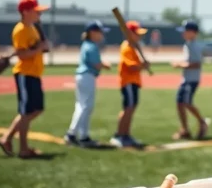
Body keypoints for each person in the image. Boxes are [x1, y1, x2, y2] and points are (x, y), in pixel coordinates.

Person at [0, 0, 50, 159]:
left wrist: (41, 47)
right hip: (25, 74)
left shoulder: (32, 28)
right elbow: (22, 55)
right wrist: (40, 48)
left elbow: (33, 48)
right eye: (36, 11)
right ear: (25, 12)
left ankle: (7, 138)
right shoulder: (20, 30)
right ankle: (23, 149)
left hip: (34, 73)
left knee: (36, 109)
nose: (39, 14)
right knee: (26, 112)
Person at [64, 20, 111, 147]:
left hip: (83, 77)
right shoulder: (91, 46)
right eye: (100, 32)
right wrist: (105, 65)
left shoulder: (87, 44)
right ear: (92, 33)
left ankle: (83, 135)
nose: (102, 35)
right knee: (85, 106)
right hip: (87, 77)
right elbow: (96, 64)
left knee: (82, 106)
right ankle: (72, 134)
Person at [110, 20, 149, 148]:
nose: (139, 36)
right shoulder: (126, 48)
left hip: (134, 82)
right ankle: (119, 135)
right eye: (137, 34)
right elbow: (132, 67)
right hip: (128, 82)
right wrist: (143, 66)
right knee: (128, 108)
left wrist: (142, 65)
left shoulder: (133, 47)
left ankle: (126, 134)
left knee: (131, 108)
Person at [171, 20, 208, 140]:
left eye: (185, 31)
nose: (183, 33)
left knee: (187, 102)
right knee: (179, 103)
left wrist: (180, 65)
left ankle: (202, 122)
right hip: (186, 79)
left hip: (191, 79)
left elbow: (197, 64)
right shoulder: (187, 44)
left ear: (193, 32)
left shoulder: (194, 46)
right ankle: (185, 129)